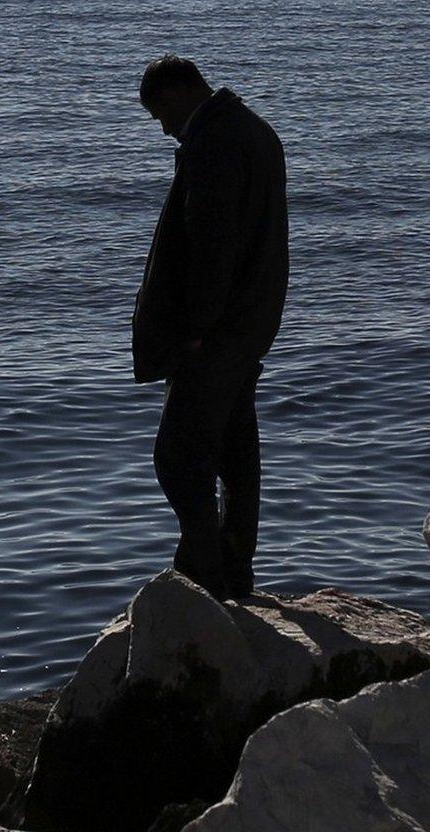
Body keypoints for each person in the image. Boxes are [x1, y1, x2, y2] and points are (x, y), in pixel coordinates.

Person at [131, 56, 288, 600]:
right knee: (236, 449)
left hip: (218, 331)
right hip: (253, 319)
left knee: (177, 456)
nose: (164, 128)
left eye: (160, 115)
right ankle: (234, 568)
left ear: (176, 97)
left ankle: (203, 572)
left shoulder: (213, 144)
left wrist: (194, 330)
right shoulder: (256, 131)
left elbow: (211, 245)